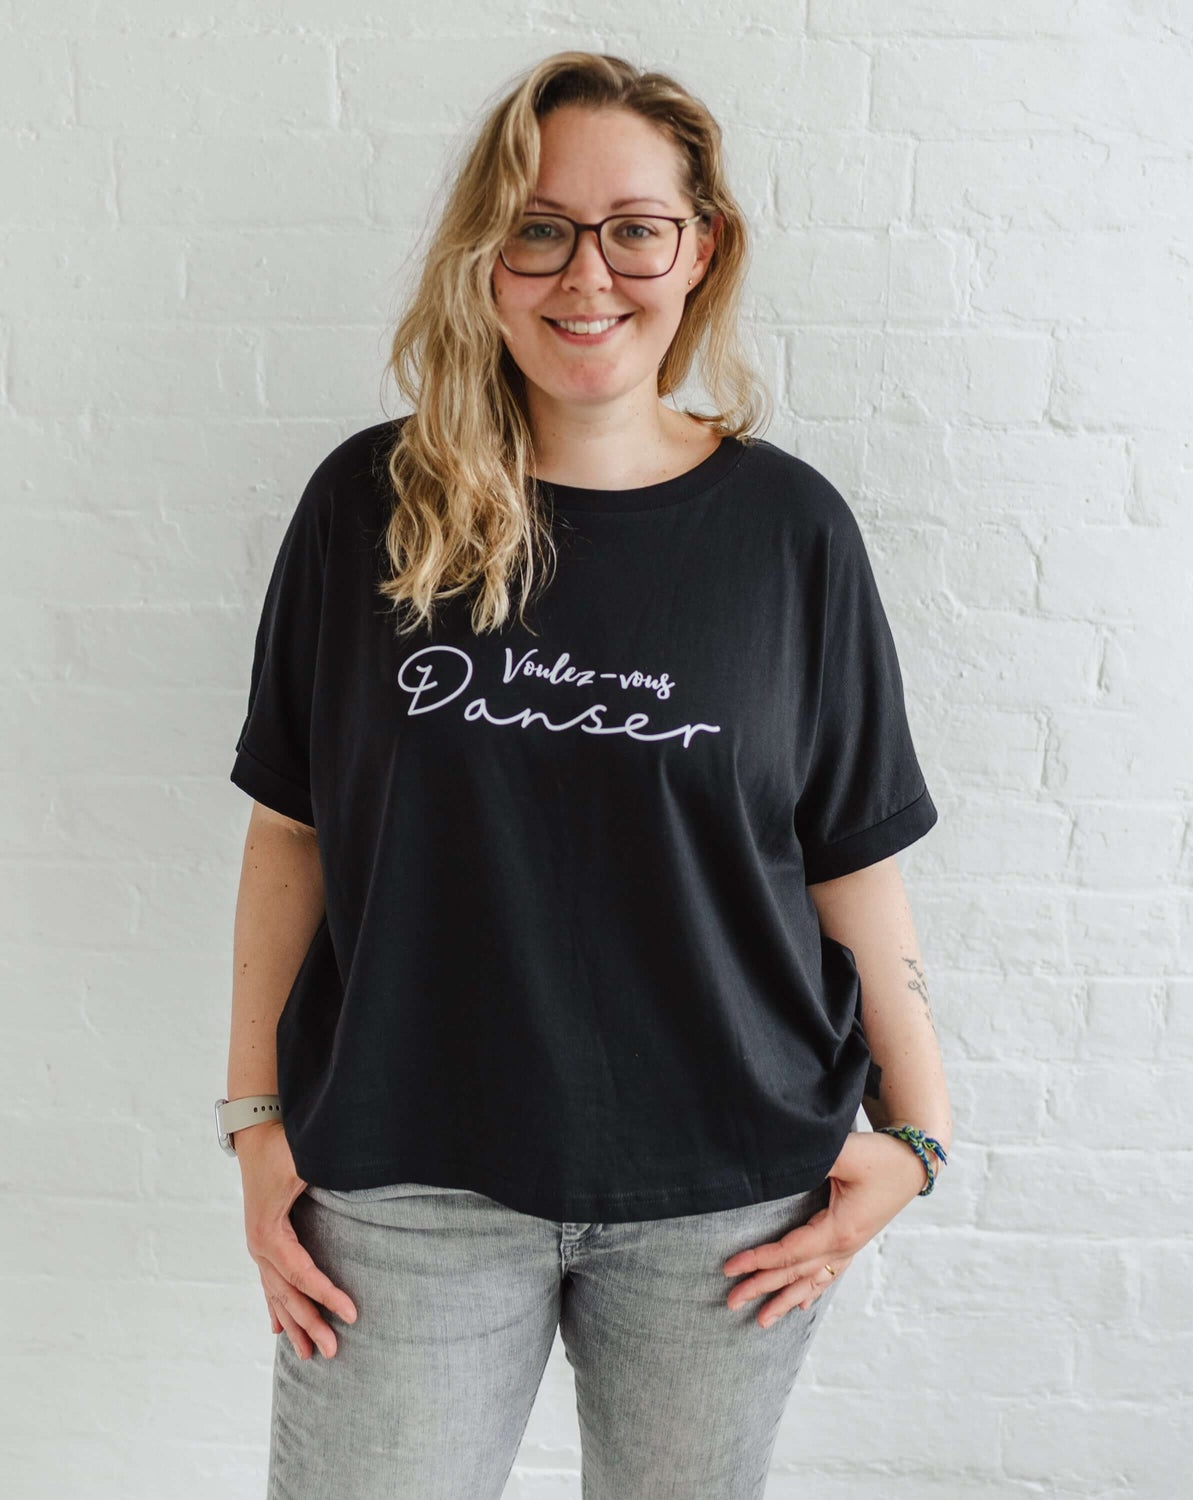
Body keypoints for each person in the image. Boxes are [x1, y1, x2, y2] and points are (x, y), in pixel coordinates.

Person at [223, 49, 953, 1500]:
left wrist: (918, 1132)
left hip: (726, 1191)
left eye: (635, 228)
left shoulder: (790, 534)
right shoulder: (370, 505)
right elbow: (290, 836)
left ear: (701, 249)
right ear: (486, 259)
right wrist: (255, 1127)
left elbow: (851, 856)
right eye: (538, 228)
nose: (587, 274)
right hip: (409, 1175)